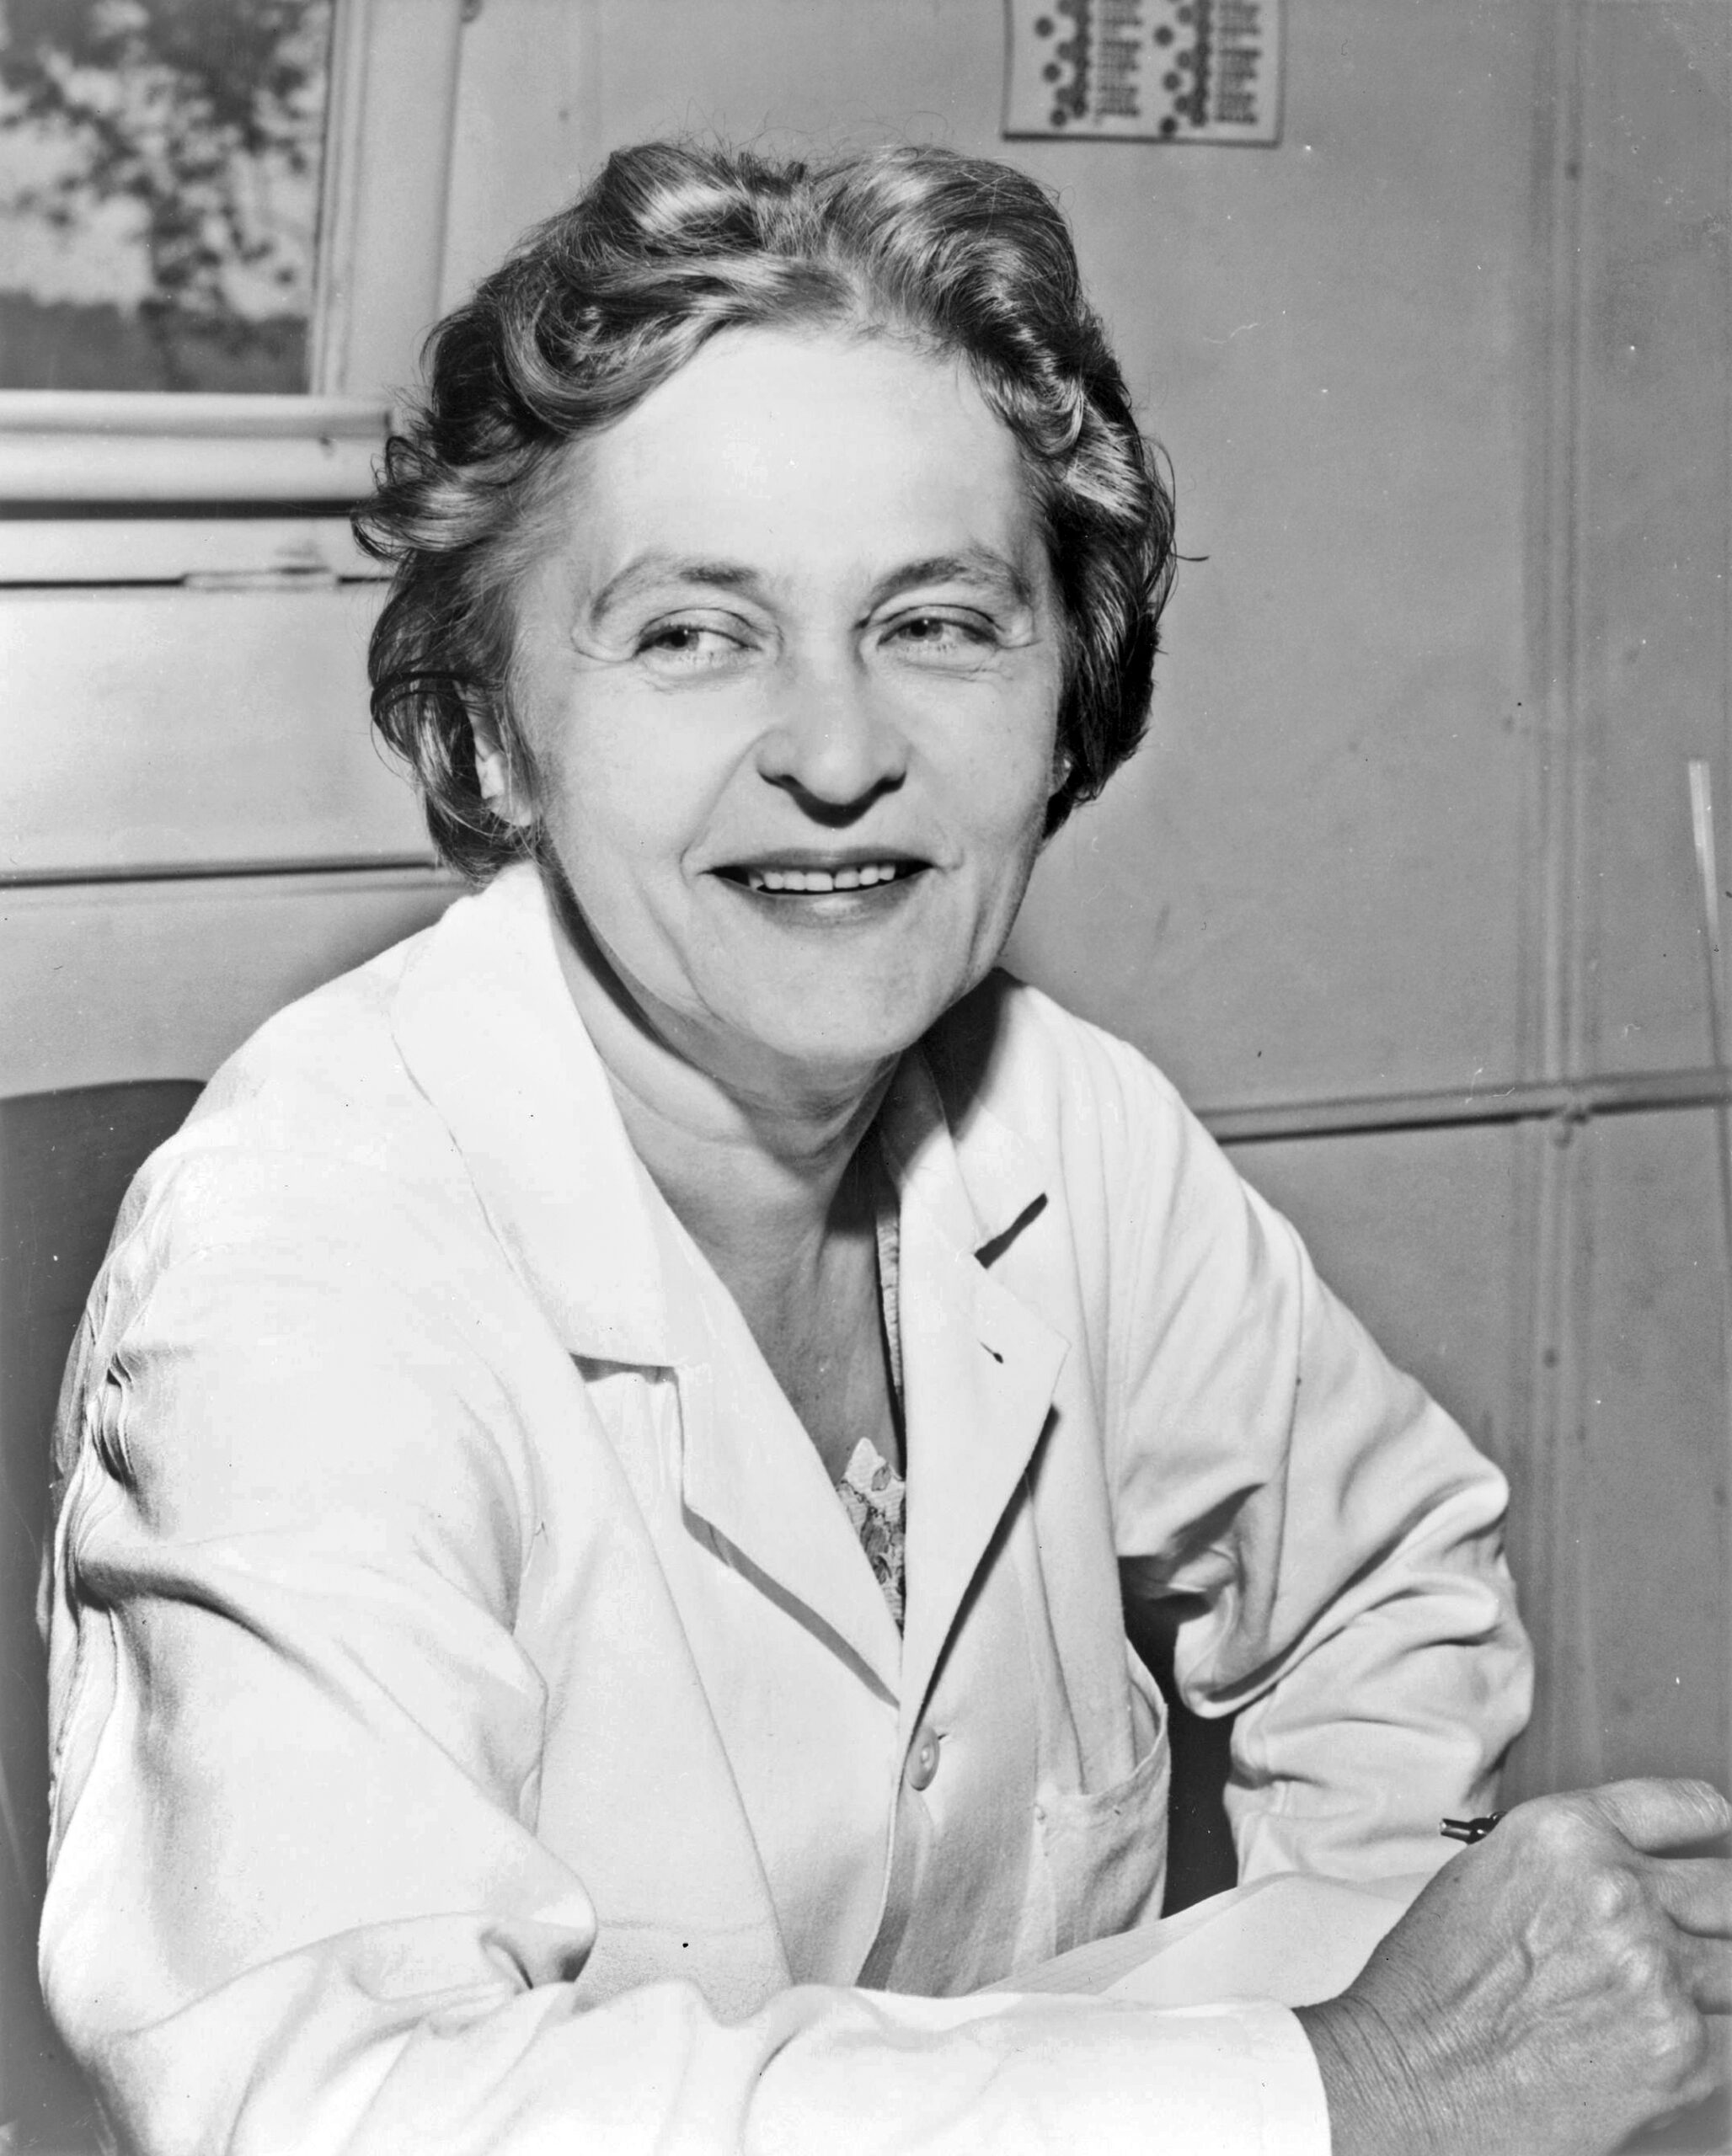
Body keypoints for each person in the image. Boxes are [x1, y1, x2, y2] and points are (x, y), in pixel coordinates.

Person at [38, 140, 1728, 2155]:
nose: (837, 751)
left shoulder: (1059, 1117)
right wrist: (1342, 2085)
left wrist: (1357, 1972)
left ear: (1064, 693)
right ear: (489, 728)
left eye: (934, 621)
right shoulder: (299, 1267)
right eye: (691, 634)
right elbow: (344, 2111)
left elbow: (1388, 1578)